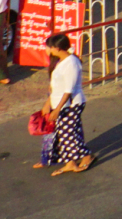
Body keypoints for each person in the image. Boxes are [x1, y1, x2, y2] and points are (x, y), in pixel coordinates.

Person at [41, 31, 91, 175]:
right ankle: (70, 163)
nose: (47, 50)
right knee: (66, 134)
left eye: (49, 47)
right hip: (60, 104)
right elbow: (56, 87)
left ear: (57, 48)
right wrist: (48, 103)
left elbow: (68, 90)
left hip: (71, 104)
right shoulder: (61, 62)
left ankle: (86, 155)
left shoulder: (71, 63)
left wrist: (57, 109)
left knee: (67, 134)